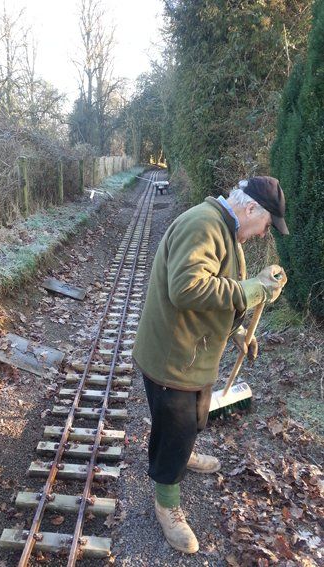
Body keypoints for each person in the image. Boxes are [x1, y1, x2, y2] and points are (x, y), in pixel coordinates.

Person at [133, 176, 289, 554]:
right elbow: (186, 288)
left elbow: (216, 289)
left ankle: (184, 454)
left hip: (194, 354)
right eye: (267, 225)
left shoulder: (227, 232)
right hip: (173, 359)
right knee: (175, 429)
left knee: (195, 419)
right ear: (251, 209)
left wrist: (237, 331)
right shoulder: (203, 225)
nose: (264, 233)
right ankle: (166, 503)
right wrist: (253, 289)